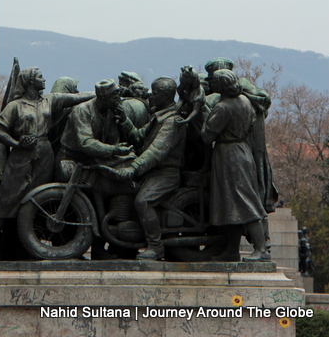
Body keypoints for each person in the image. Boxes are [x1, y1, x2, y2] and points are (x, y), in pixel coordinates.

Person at [0, 67, 93, 261]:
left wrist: (101, 91)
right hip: (21, 157)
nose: (44, 79)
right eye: (40, 77)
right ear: (30, 82)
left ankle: (35, 248)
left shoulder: (50, 100)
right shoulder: (15, 105)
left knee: (41, 199)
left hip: (44, 153)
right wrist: (16, 143)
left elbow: (78, 97)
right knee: (5, 202)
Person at [114, 77, 186, 260]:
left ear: (168, 95)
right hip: (152, 172)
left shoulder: (172, 121)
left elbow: (156, 152)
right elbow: (139, 137)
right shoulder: (159, 116)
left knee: (142, 201)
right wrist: (124, 120)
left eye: (155, 93)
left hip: (166, 174)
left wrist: (134, 168)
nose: (151, 96)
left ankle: (156, 246)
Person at [201, 69, 269, 262]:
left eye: (214, 82)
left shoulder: (222, 107)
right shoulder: (246, 101)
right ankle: (232, 250)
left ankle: (261, 248)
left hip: (228, 156)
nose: (211, 84)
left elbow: (207, 136)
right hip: (242, 151)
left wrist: (203, 113)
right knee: (230, 204)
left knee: (244, 201)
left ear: (221, 86)